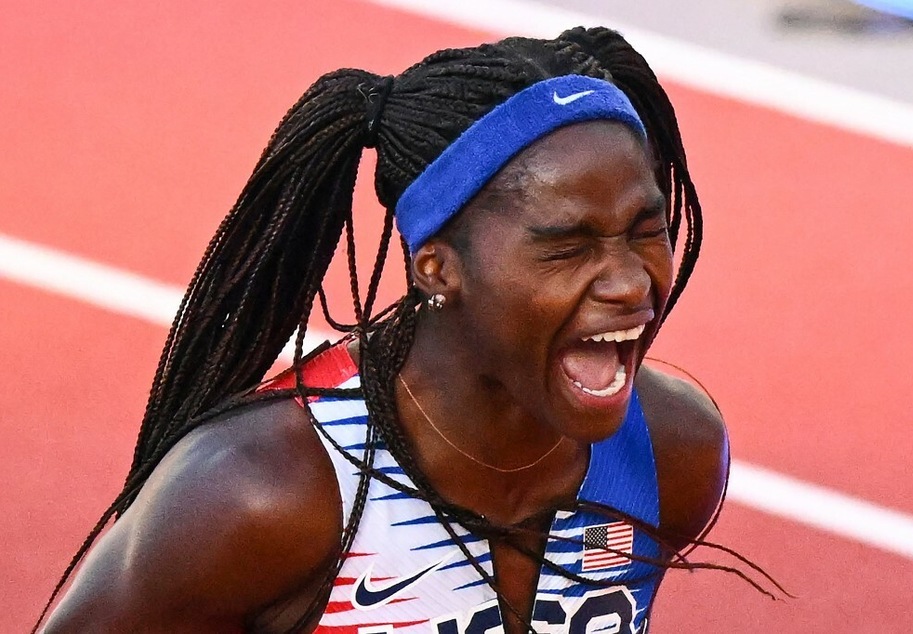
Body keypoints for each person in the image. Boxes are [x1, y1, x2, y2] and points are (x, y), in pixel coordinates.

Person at [37, 26, 745, 634]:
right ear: (436, 268)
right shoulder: (265, 493)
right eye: (566, 247)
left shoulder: (672, 453)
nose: (629, 283)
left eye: (645, 231)